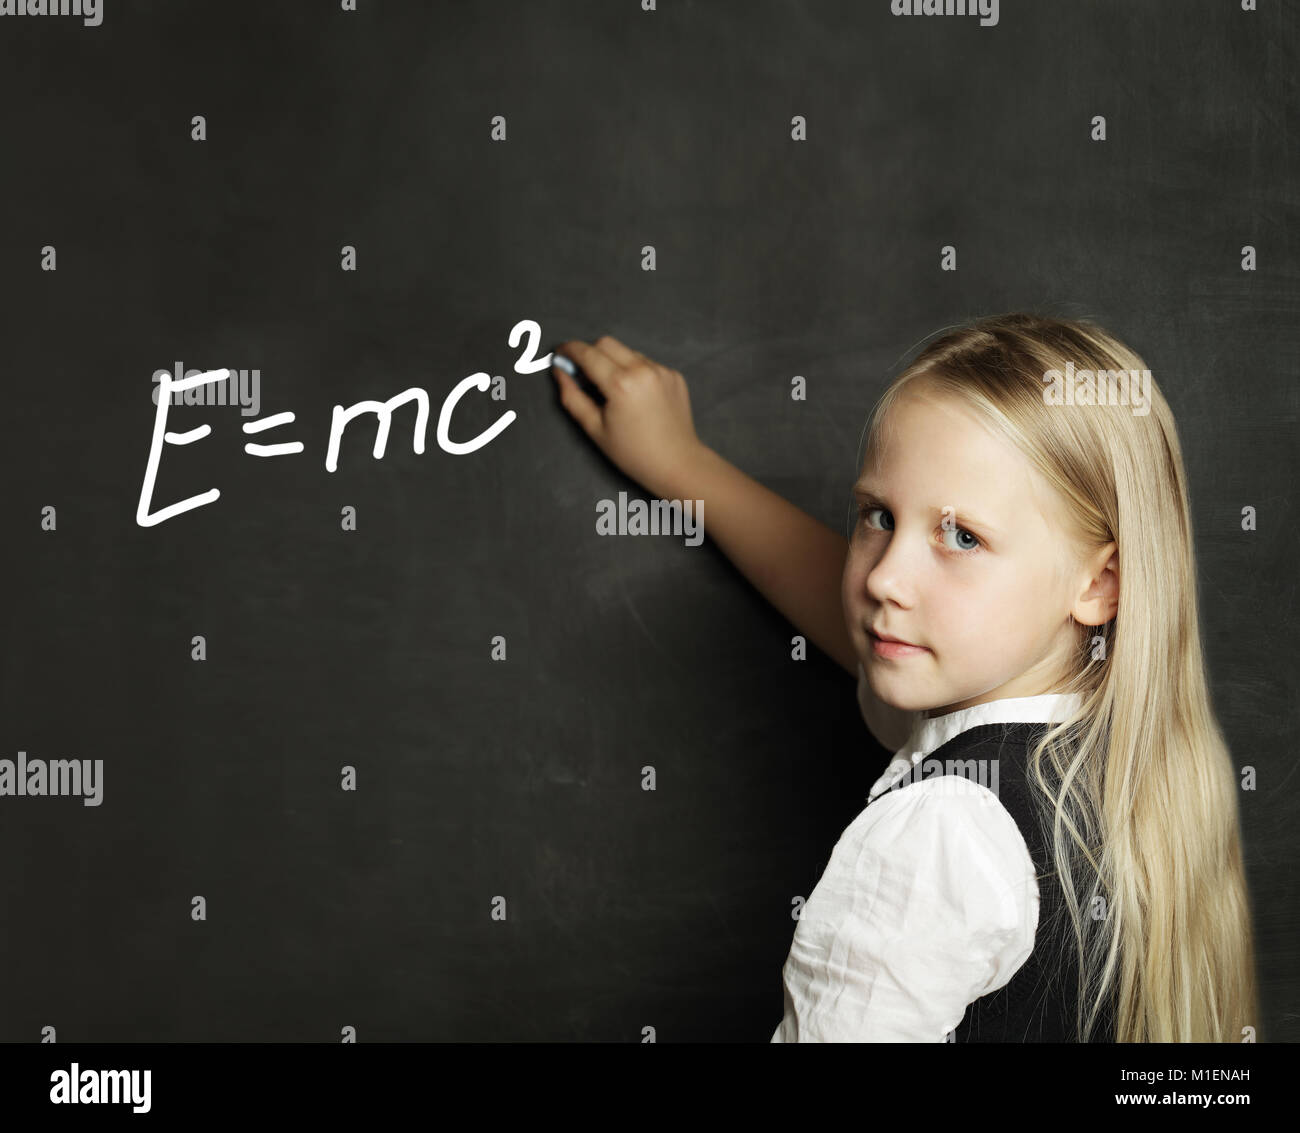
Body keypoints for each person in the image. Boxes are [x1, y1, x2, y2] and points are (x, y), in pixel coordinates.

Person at [549, 312, 1258, 1042]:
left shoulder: (944, 829)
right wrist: (681, 465)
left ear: (1100, 582)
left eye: (961, 536)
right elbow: (863, 612)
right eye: (878, 515)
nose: (886, 578)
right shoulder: (1130, 758)